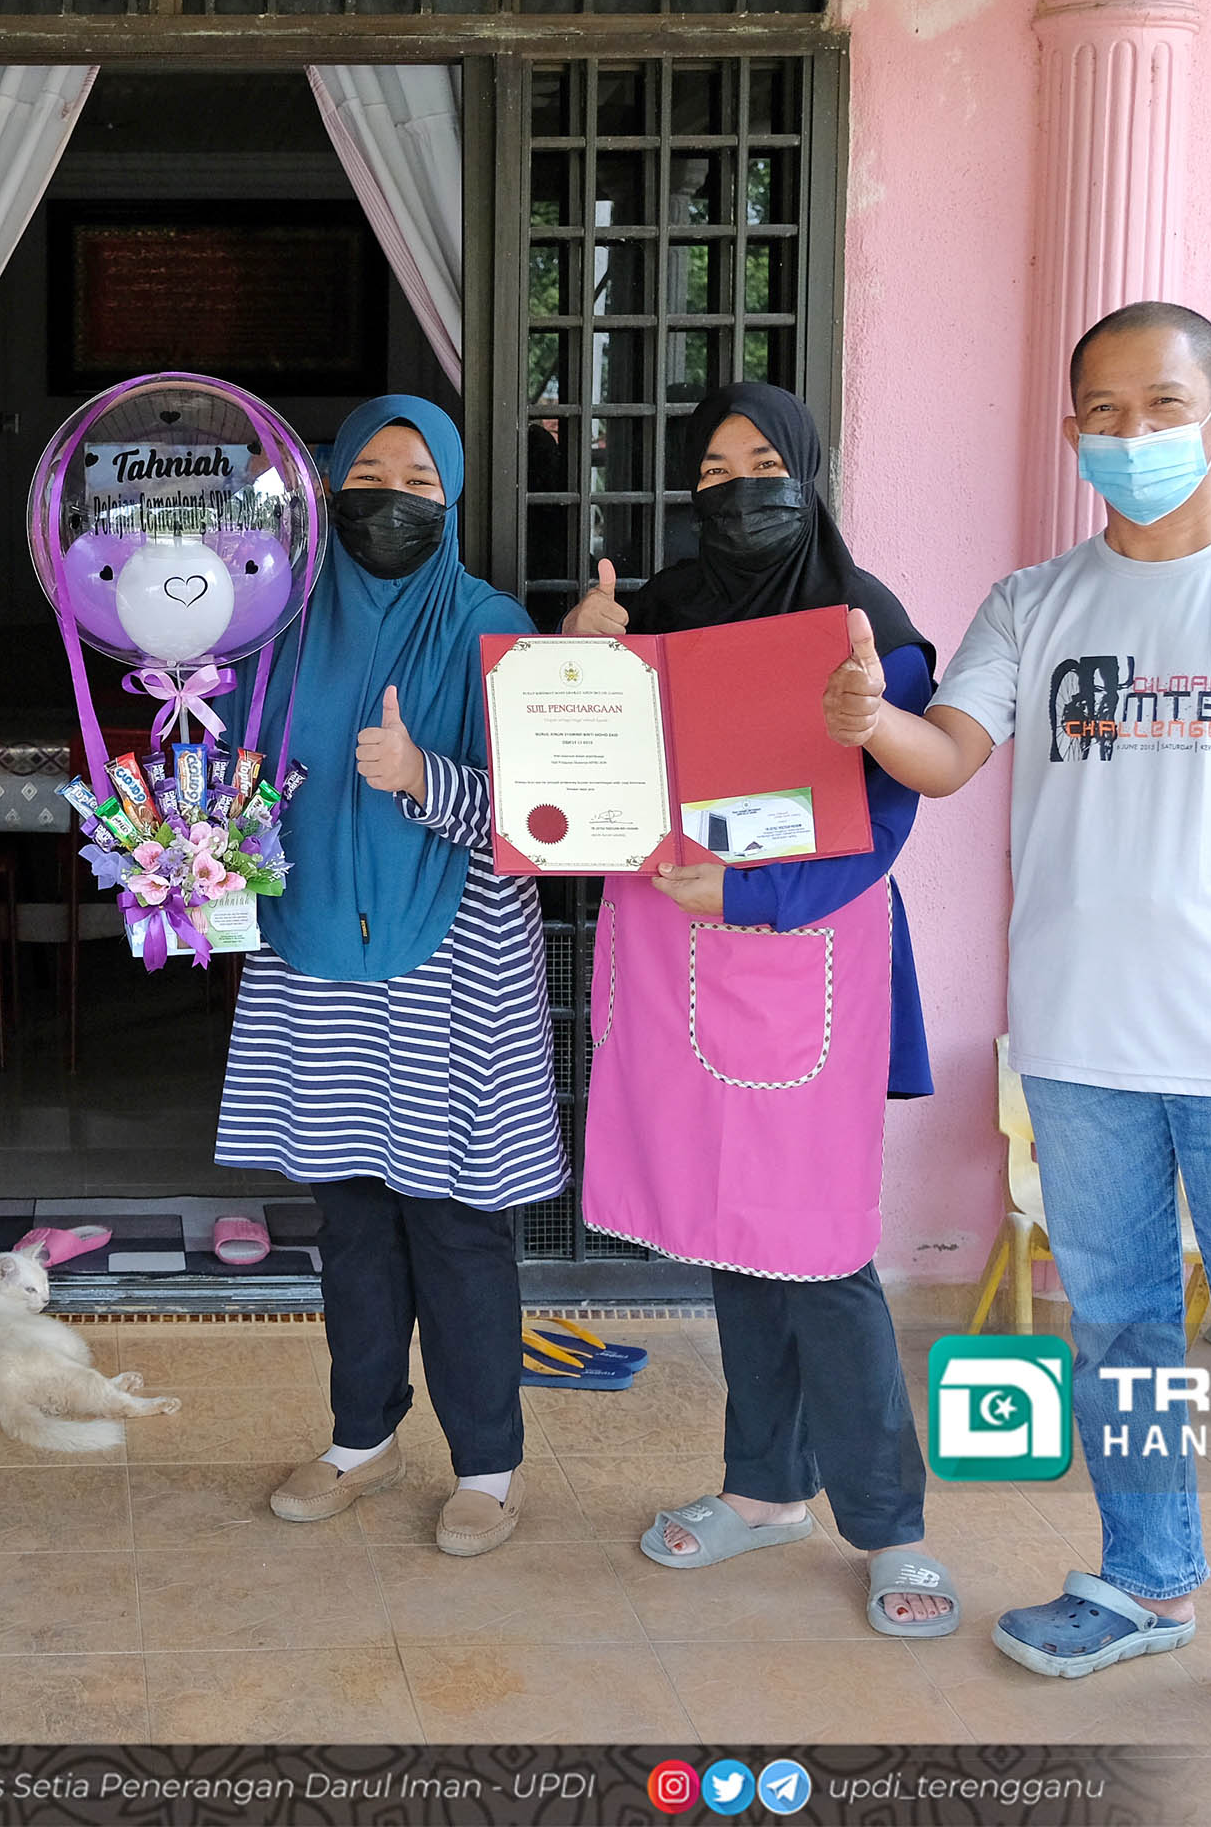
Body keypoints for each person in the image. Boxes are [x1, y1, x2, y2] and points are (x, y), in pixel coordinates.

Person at [828, 301, 1211, 1775]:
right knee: (1122, 1326)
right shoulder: (1037, 602)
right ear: (1072, 429)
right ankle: (1145, 1580)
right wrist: (866, 721)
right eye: (1104, 411)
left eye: (1163, 405)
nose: (1132, 435)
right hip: (1079, 1047)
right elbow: (950, 754)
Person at [564, 380, 951, 1635]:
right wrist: (584, 665)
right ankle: (764, 1486)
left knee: (824, 1253)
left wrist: (753, 888)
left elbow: (884, 820)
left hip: (805, 959)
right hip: (681, 951)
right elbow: (587, 766)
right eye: (713, 469)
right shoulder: (661, 612)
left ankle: (890, 1526)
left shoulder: (864, 625)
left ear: (808, 472)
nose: (738, 488)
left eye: (761, 463)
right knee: (738, 1241)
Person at [220, 395, 563, 1558]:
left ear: (453, 498)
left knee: (458, 1221)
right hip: (318, 958)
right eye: (371, 472)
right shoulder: (279, 623)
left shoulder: (491, 622)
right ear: (327, 487)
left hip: (452, 972)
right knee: (353, 1219)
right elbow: (240, 775)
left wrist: (424, 774)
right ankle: (360, 1438)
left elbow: (536, 823)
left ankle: (489, 1465)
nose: (395, 496)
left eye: (421, 477)